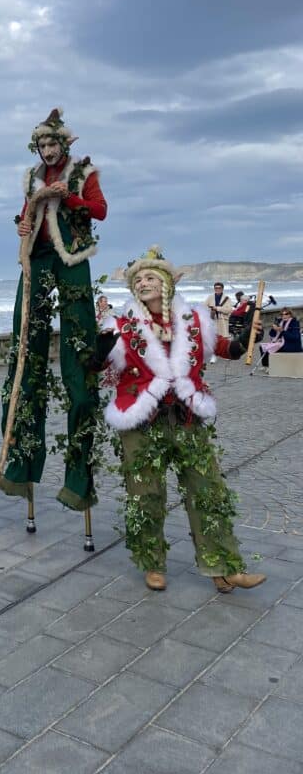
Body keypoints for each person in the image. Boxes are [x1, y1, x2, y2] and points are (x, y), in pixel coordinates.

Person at [95, 246, 265, 594]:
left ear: (167, 283)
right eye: (137, 279)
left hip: (187, 416)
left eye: (150, 277)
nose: (143, 282)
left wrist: (247, 338)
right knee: (146, 495)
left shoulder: (194, 320)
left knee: (208, 490)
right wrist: (95, 355)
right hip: (141, 420)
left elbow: (221, 348)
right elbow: (100, 365)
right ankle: (152, 563)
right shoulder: (121, 326)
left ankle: (224, 567)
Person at [1, 108, 107, 511]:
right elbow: (25, 214)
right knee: (26, 348)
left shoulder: (83, 172)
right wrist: (22, 226)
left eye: (52, 144)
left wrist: (71, 197)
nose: (46, 151)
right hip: (39, 260)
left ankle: (78, 479)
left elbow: (100, 212)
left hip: (73, 259)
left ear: (63, 145)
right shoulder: (30, 179)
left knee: (79, 347)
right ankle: (21, 464)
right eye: (41, 145)